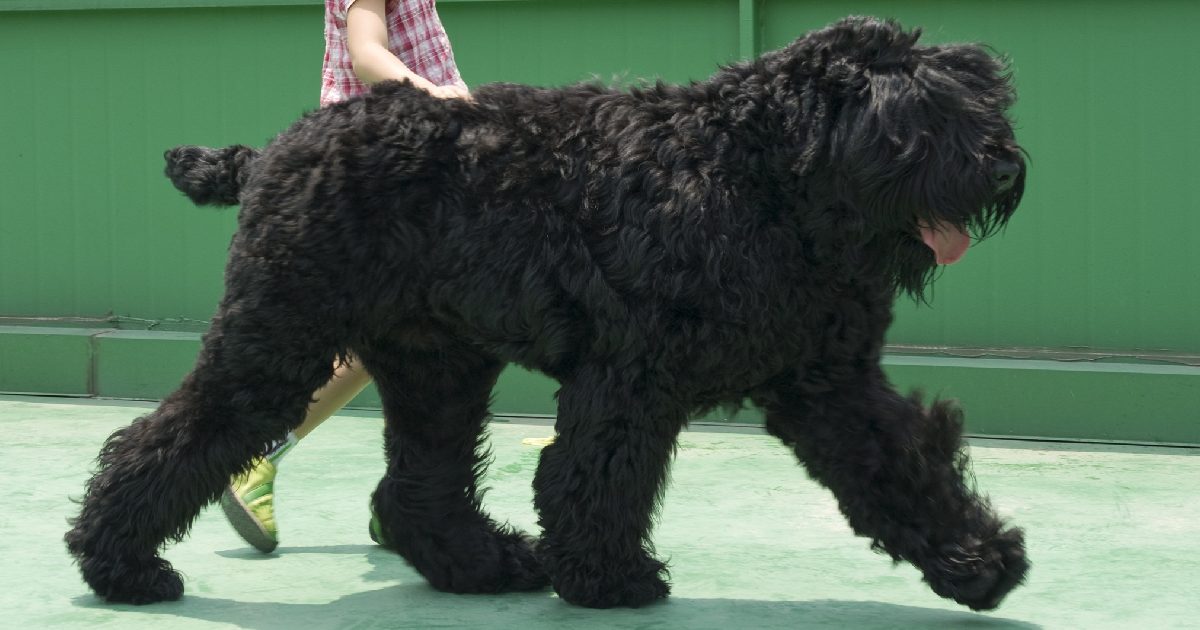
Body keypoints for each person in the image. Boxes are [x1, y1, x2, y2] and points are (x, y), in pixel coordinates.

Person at [219, 0, 470, 553]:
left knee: (417, 338)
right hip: (378, 166)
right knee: (395, 331)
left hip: (403, 158)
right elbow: (367, 55)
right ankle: (256, 456)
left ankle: (406, 502)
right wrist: (443, 97)